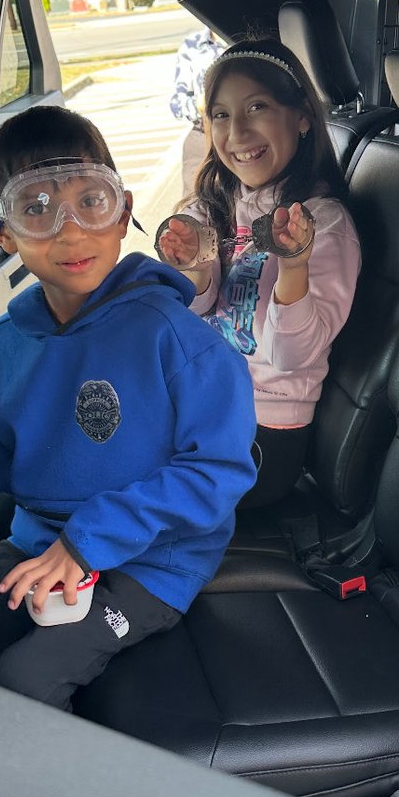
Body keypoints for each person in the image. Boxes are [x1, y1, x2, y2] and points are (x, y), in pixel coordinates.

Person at [0, 105, 257, 709]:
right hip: (39, 542)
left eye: (91, 201)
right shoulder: (4, 345)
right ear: (2, 231)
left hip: (153, 560)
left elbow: (219, 470)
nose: (69, 232)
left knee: (24, 683)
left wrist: (87, 541)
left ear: (122, 213)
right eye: (36, 208)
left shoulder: (177, 340)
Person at [158, 38, 360, 509]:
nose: (238, 132)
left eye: (257, 107)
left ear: (302, 117)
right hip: (201, 406)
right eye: (221, 115)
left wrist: (294, 266)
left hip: (263, 433)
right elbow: (199, 310)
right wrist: (195, 267)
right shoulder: (217, 205)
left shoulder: (323, 223)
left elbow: (291, 357)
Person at [169, 24, 221, 195]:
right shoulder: (193, 44)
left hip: (244, 131)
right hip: (203, 132)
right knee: (195, 198)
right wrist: (200, 105)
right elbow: (177, 102)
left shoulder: (243, 41)